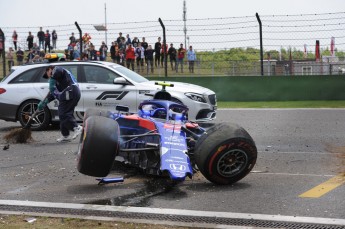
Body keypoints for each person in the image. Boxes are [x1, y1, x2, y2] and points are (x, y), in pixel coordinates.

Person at [38, 66, 82, 142]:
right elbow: (54, 93)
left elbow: (58, 71)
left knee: (63, 113)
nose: (49, 77)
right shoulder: (59, 81)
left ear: (49, 70)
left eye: (48, 74)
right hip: (70, 93)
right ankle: (65, 135)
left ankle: (76, 127)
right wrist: (45, 102)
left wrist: (52, 79)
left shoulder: (58, 70)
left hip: (71, 90)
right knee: (63, 114)